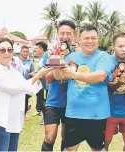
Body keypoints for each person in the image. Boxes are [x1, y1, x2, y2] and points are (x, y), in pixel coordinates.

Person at [0, 37, 52, 151]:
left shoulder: (13, 71)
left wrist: (43, 75)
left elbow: (28, 88)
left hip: (14, 119)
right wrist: (38, 75)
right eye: (2, 50)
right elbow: (16, 88)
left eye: (9, 50)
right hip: (1, 121)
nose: (6, 53)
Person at [57, 24, 114, 151]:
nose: (90, 41)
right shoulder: (70, 57)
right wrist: (56, 60)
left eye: (93, 38)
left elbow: (100, 76)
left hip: (97, 114)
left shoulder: (104, 56)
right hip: (74, 112)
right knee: (69, 148)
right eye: (86, 38)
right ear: (79, 39)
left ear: (98, 39)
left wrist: (74, 74)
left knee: (98, 148)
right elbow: (59, 76)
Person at [40, 20, 76, 151]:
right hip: (54, 102)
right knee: (50, 137)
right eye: (62, 33)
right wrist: (57, 59)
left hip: (71, 104)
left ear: (74, 35)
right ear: (57, 34)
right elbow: (48, 79)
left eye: (69, 33)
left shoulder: (77, 54)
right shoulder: (50, 53)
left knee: (67, 139)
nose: (65, 36)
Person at [32, 41, 49, 125]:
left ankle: (45, 119)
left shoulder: (46, 57)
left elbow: (46, 70)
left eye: (37, 48)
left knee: (44, 101)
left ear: (42, 49)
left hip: (45, 85)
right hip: (41, 84)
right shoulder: (42, 58)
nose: (35, 50)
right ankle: (43, 117)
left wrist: (38, 78)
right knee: (41, 100)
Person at [18, 45, 34, 119]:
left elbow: (32, 73)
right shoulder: (17, 61)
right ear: (20, 52)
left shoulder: (30, 63)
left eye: (26, 52)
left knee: (25, 99)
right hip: (18, 84)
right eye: (23, 51)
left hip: (27, 84)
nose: (25, 53)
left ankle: (24, 114)